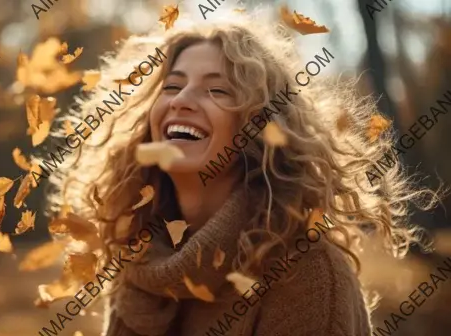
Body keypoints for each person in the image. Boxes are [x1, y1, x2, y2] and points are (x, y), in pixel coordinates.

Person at [54, 7, 439, 336]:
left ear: (259, 129)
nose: (181, 101)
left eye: (217, 91)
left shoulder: (306, 274)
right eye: (172, 86)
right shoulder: (137, 260)